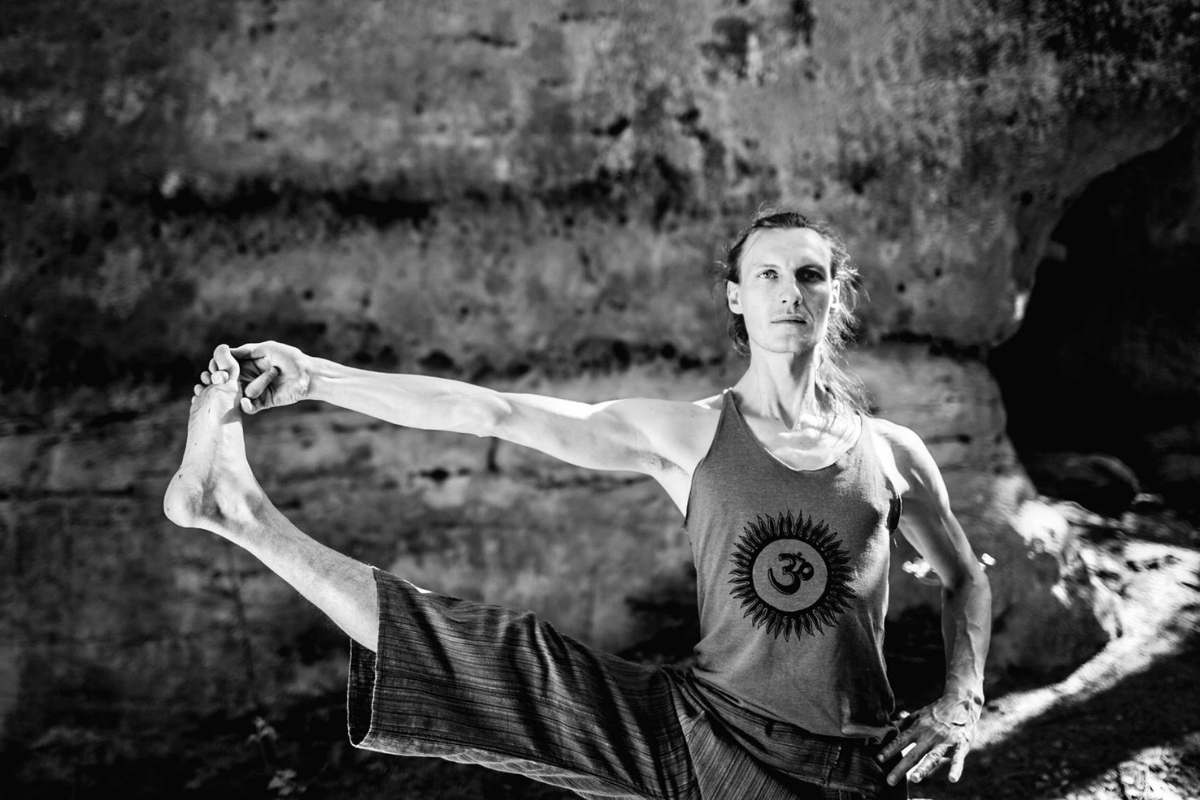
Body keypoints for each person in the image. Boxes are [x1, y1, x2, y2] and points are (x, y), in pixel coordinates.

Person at [164, 208, 991, 800]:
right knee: (505, 657)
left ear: (836, 293)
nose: (789, 292)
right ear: (735, 297)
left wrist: (961, 702)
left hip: (856, 765)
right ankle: (239, 511)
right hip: (702, 736)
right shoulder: (688, 433)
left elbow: (967, 579)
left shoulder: (892, 453)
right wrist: (317, 377)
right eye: (766, 274)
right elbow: (493, 412)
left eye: (809, 274)